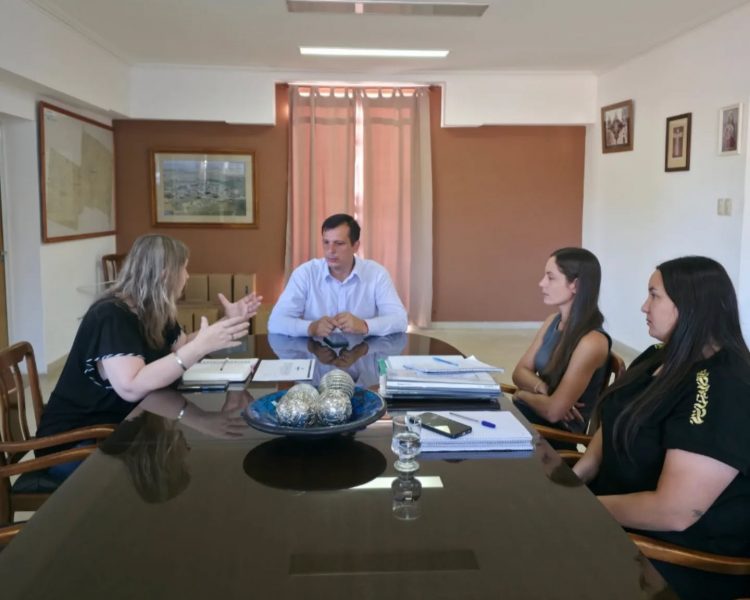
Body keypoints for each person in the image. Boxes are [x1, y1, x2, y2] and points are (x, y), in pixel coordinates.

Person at [573, 256, 750, 600]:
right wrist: (577, 477)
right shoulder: (659, 354)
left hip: (676, 555)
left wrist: (580, 508)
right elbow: (616, 417)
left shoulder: (725, 386)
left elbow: (675, 512)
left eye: (654, 295)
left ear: (690, 305)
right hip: (613, 515)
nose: (644, 306)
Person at [36, 234, 262, 463]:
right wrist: (201, 419)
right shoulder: (111, 315)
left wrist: (227, 321)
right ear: (165, 274)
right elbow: (131, 386)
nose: (187, 276)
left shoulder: (152, 309)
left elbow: (182, 346)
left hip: (120, 430)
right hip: (76, 444)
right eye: (184, 268)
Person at [511, 248, 611, 438]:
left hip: (552, 436)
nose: (542, 283)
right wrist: (544, 389)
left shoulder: (592, 342)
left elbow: (553, 412)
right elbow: (519, 372)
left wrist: (521, 395)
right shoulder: (553, 321)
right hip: (530, 420)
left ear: (576, 285)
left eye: (551, 277)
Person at [268, 213, 407, 337]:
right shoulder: (305, 274)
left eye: (339, 243)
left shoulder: (376, 274)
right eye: (326, 242)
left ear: (355, 246)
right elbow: (275, 322)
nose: (330, 250)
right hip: (316, 355)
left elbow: (400, 320)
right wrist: (310, 328)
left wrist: (365, 325)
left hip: (363, 354)